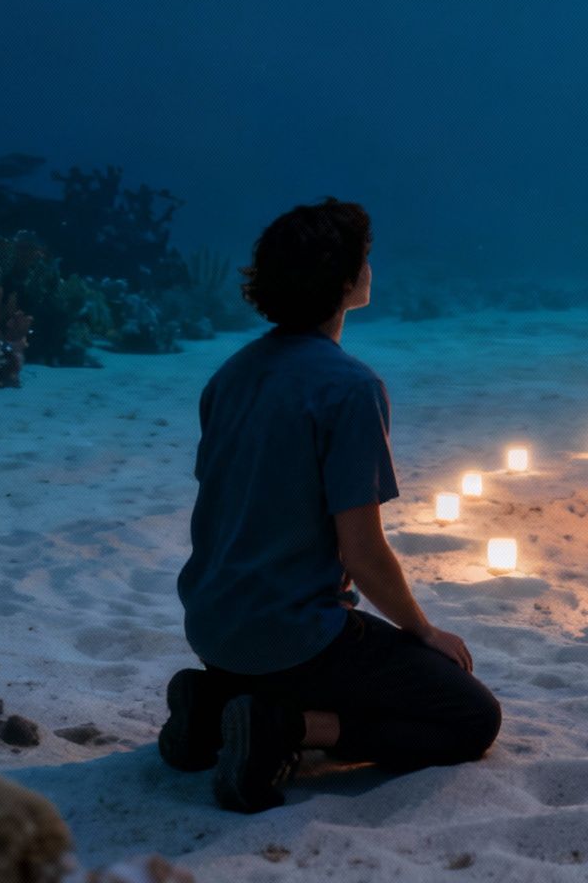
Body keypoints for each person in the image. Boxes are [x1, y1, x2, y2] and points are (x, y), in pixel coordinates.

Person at [163, 198, 501, 813]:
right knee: (471, 717)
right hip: (291, 639)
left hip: (211, 628)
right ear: (345, 282)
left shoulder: (229, 376)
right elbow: (363, 553)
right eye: (364, 259)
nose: (371, 268)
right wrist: (423, 630)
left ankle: (212, 705)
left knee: (341, 671)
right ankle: (285, 728)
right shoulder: (350, 388)